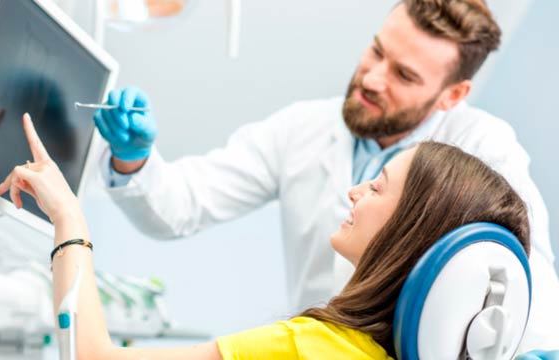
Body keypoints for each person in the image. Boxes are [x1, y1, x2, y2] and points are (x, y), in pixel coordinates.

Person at [93, 0, 559, 349]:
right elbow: (180, 206)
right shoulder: (303, 128)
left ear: (452, 95)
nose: (373, 78)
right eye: (375, 52)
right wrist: (132, 157)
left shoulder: (484, 149)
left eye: (404, 75)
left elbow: (524, 287)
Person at [0, 113, 531, 359]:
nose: (353, 193)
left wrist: (68, 217)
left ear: (409, 234)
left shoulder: (308, 346)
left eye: (378, 186)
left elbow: (92, 357)